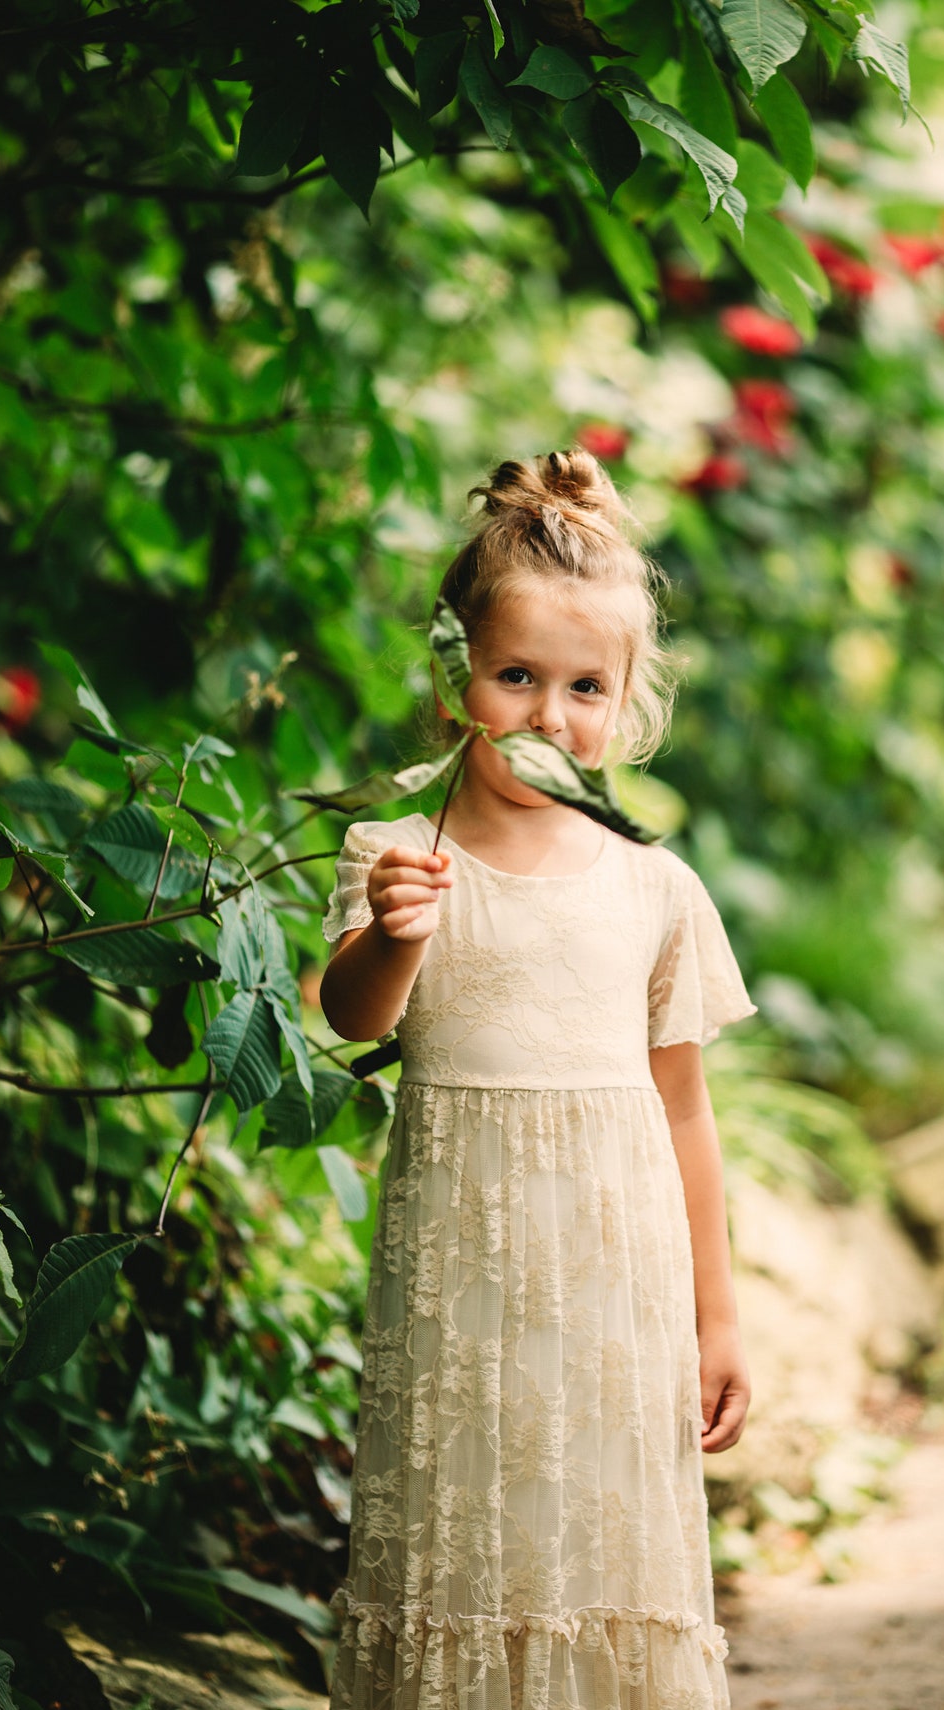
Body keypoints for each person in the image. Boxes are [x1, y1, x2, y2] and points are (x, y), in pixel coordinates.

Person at [320, 450, 756, 1710]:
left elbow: (684, 1107)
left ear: (626, 704)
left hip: (617, 1287)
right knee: (464, 1530)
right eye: (516, 676)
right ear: (456, 675)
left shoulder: (652, 884)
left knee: (601, 1535)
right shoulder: (397, 851)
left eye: (584, 688)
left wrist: (717, 1319)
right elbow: (354, 1020)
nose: (548, 715)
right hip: (462, 1276)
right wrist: (397, 934)